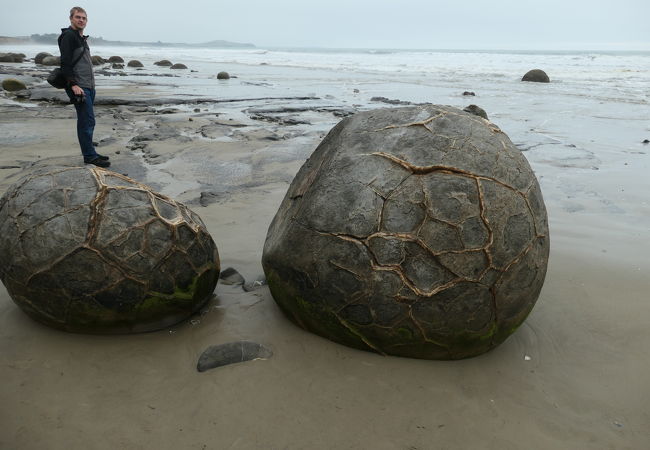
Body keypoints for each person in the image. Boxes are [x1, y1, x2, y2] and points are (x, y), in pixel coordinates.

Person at [59, 6, 110, 168]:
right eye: (78, 17)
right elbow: (65, 63)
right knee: (87, 121)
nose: (81, 20)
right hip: (79, 86)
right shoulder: (68, 36)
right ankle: (89, 156)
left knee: (87, 120)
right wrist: (73, 85)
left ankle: (91, 153)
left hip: (88, 86)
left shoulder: (80, 38)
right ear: (71, 19)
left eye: (84, 18)